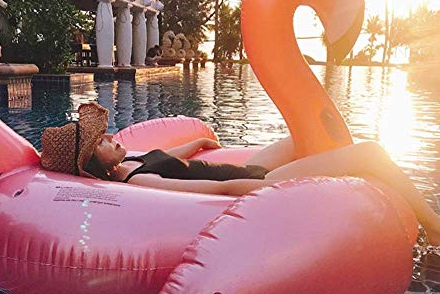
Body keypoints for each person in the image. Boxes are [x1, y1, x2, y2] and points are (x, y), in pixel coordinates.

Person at [41, 102, 440, 245]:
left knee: (307, 134)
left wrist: (198, 142)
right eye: (101, 141)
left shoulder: (129, 160)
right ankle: (434, 228)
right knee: (372, 153)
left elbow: (168, 156)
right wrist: (273, 187)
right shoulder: (136, 182)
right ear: (94, 163)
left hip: (246, 165)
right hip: (253, 178)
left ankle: (351, 183)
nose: (111, 136)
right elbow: (213, 190)